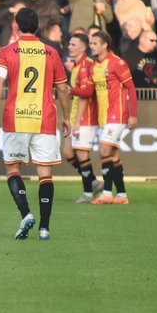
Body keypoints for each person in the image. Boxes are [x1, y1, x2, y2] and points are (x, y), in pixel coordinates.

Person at [0, 8, 70, 240]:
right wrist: (67, 116)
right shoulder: (51, 52)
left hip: (16, 119)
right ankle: (44, 228)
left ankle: (25, 214)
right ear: (37, 27)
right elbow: (62, 88)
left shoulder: (6, 52)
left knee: (13, 168)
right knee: (45, 173)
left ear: (16, 26)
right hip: (45, 119)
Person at [74, 31, 137, 205]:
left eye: (95, 43)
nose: (91, 46)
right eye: (91, 43)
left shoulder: (117, 62)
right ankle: (122, 195)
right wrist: (70, 89)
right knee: (114, 156)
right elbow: (88, 92)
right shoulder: (95, 66)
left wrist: (133, 114)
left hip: (117, 115)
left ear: (105, 45)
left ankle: (107, 193)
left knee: (103, 151)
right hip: (104, 117)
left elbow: (131, 88)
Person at [64, 31, 104, 203]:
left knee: (81, 154)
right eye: (70, 44)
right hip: (75, 117)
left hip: (85, 118)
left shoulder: (87, 65)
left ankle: (88, 193)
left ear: (83, 47)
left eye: (73, 44)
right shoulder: (76, 66)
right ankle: (94, 182)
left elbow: (86, 94)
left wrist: (78, 121)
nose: (69, 47)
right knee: (67, 152)